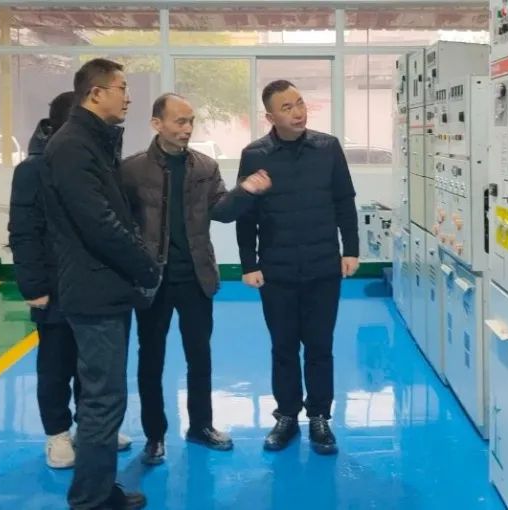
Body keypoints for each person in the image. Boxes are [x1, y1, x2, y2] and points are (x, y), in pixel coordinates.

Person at [120, 93, 272, 465]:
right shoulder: (131, 170)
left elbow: (221, 211)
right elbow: (121, 222)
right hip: (152, 281)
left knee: (199, 356)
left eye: (191, 121)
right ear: (157, 124)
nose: (187, 128)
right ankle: (154, 436)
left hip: (195, 278)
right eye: (179, 121)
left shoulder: (204, 166)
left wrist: (244, 192)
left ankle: (201, 426)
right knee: (150, 359)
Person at [41, 58, 159, 510]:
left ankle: (100, 487)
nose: (128, 97)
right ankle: (90, 499)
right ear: (96, 93)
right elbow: (100, 224)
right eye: (122, 88)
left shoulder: (93, 141)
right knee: (102, 401)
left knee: (106, 398)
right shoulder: (73, 146)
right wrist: (146, 266)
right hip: (93, 291)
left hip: (104, 287)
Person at [8, 91, 133, 470]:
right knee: (56, 363)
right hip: (55, 286)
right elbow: (23, 231)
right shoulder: (33, 169)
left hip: (93, 282)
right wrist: (34, 286)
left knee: (92, 363)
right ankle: (57, 433)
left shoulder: (100, 162)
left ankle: (90, 427)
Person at [236, 80, 359, 455]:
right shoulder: (254, 155)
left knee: (320, 346)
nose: (298, 112)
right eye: (287, 107)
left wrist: (351, 250)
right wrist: (248, 263)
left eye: (300, 103)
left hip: (323, 266)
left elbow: (344, 200)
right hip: (278, 270)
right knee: (284, 347)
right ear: (270, 116)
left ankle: (320, 416)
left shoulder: (327, 147)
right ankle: (287, 415)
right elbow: (245, 213)